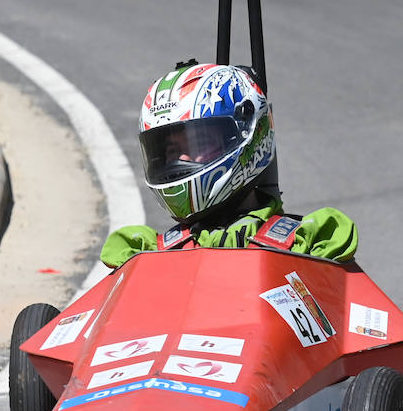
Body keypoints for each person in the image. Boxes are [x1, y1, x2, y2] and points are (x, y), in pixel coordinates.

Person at [100, 61, 357, 268]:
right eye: (171, 151)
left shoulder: (308, 246)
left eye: (197, 144)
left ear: (247, 134)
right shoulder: (148, 255)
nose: (182, 160)